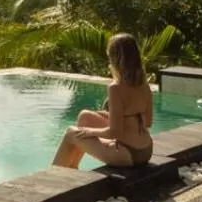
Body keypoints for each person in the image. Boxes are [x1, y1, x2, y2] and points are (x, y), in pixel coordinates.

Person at [52, 33, 155, 169]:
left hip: (127, 153)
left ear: (115, 59)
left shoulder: (116, 88)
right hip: (146, 149)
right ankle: (73, 168)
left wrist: (90, 132)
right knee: (85, 116)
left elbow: (114, 132)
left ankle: (52, 177)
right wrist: (115, 117)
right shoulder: (144, 85)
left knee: (71, 134)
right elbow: (147, 122)